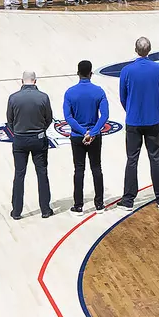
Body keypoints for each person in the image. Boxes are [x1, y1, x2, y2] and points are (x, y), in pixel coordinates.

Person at [118, 37, 159, 208]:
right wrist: (154, 108)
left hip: (133, 120)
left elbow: (122, 97)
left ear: (135, 49)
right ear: (150, 50)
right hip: (153, 119)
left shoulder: (127, 71)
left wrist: (132, 110)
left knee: (132, 159)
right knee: (155, 158)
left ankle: (128, 200)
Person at [6, 71, 53, 219]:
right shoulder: (43, 97)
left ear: (22, 81)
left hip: (19, 139)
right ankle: (45, 209)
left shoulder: (13, 98)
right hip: (38, 139)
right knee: (42, 173)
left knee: (19, 175)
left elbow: (10, 120)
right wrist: (40, 130)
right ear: (35, 81)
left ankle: (17, 211)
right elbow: (49, 118)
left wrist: (18, 131)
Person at [63, 59, 108, 212]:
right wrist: (92, 132)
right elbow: (105, 115)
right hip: (94, 137)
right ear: (91, 73)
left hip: (77, 136)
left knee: (79, 169)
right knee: (96, 168)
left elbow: (68, 117)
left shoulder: (70, 92)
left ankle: (78, 205)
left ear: (77, 73)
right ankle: (100, 204)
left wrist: (83, 132)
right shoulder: (99, 91)